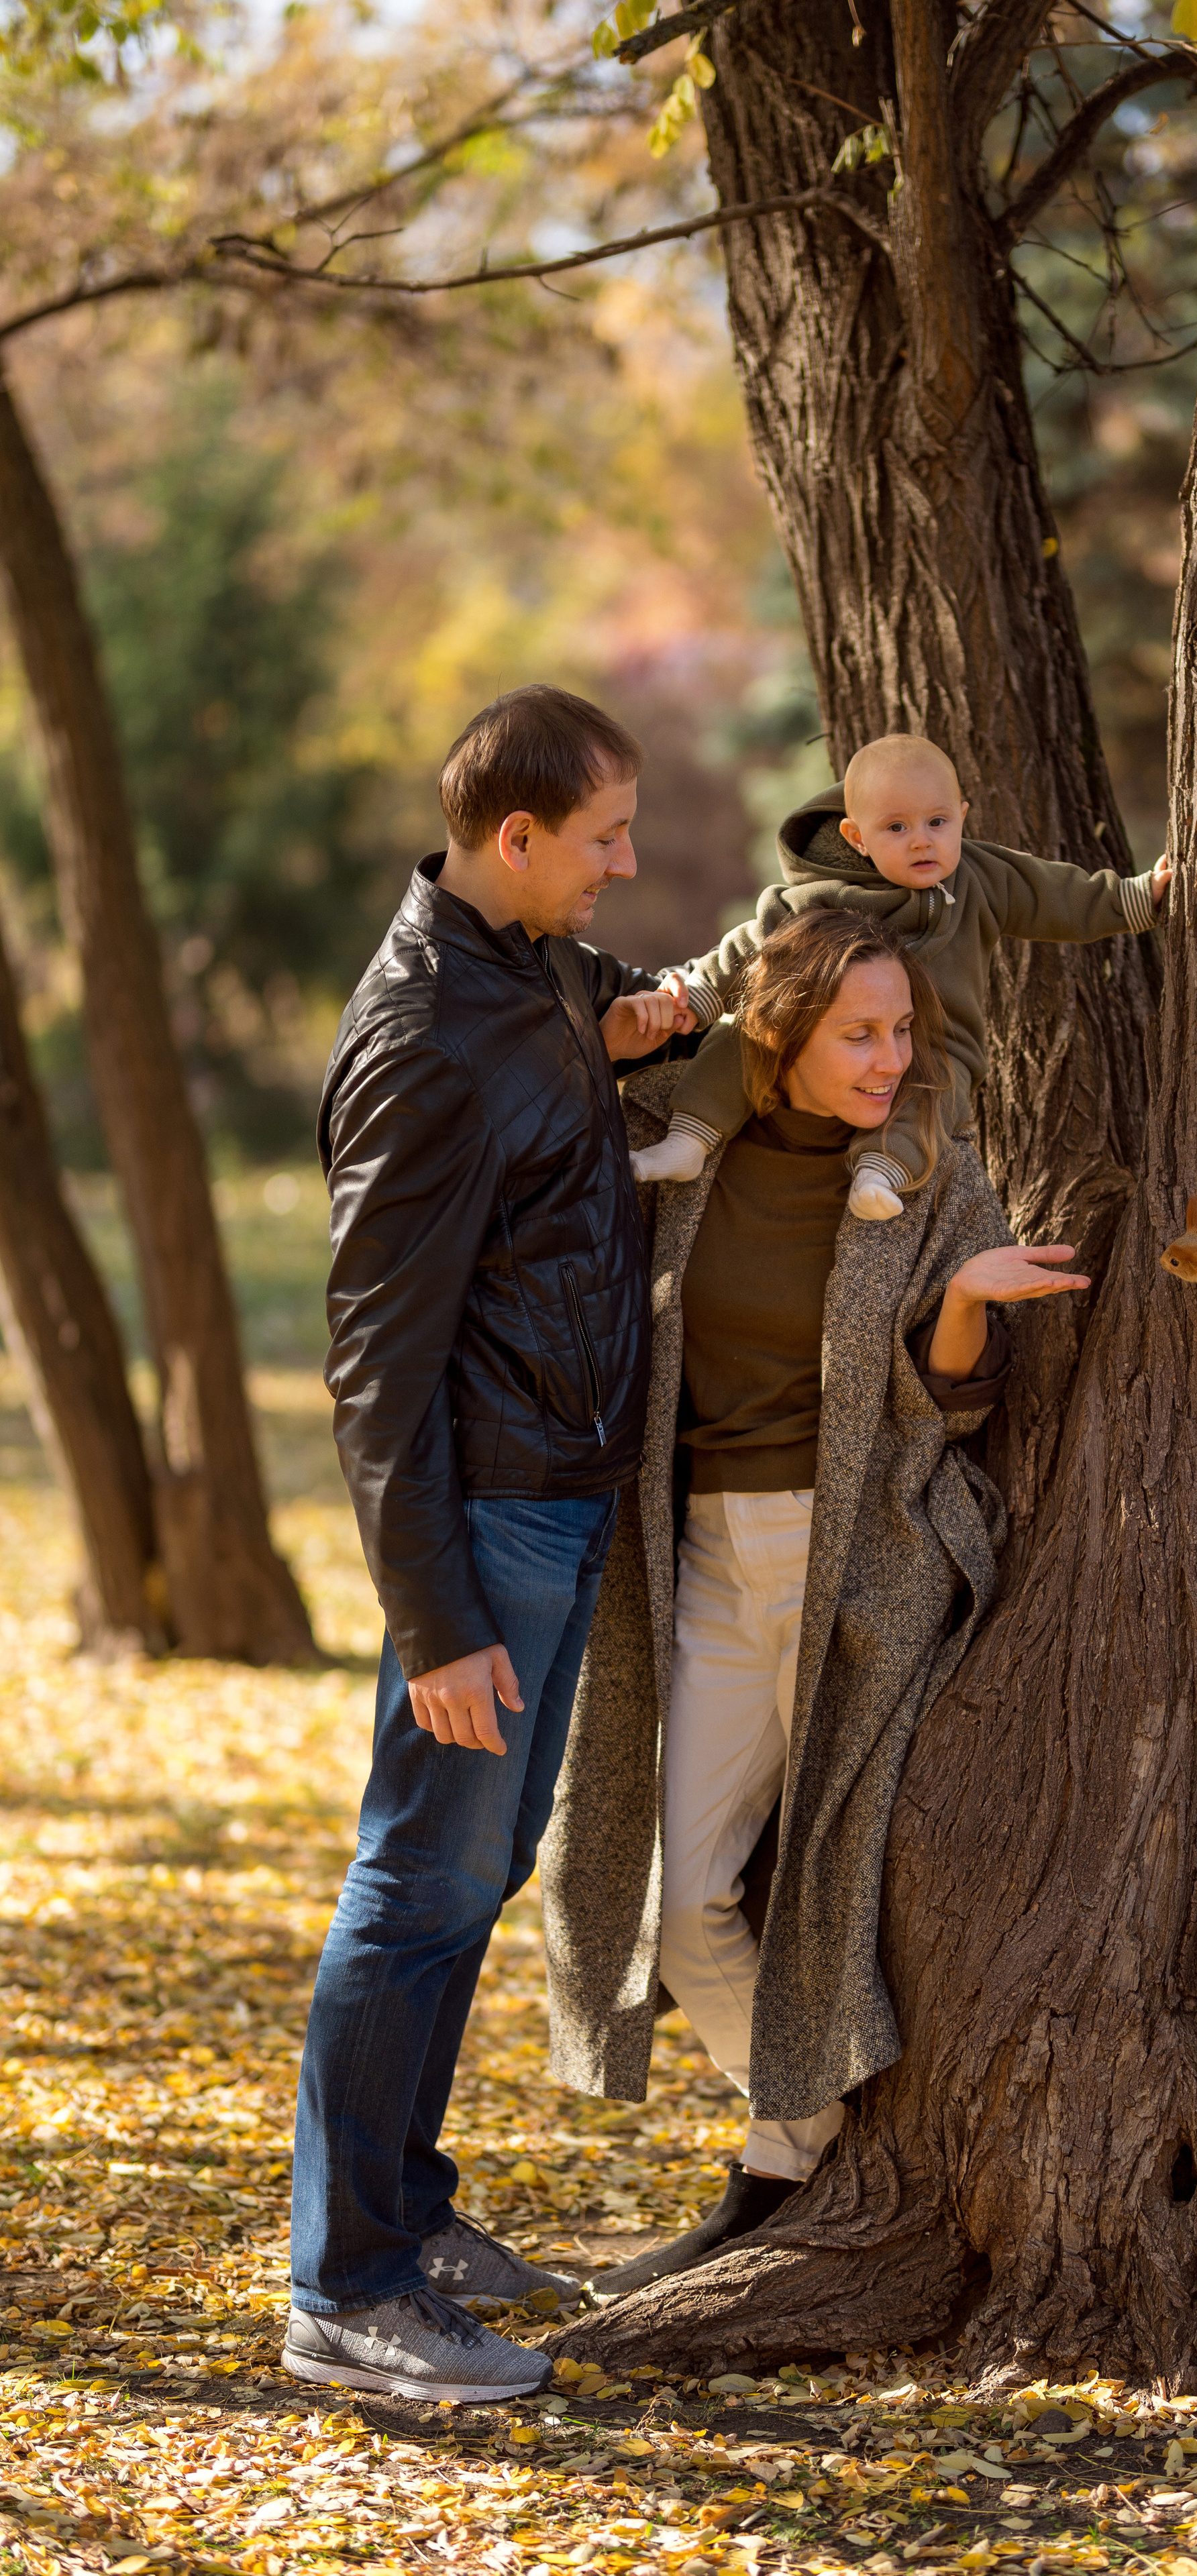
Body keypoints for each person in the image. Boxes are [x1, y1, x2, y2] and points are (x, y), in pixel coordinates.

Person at [536, 910, 1088, 2298]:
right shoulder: (681, 1152)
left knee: (823, 1889)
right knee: (677, 1899)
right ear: (774, 1042)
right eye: (858, 1033)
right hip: (701, 1565)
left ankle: (774, 2177)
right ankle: (826, 2138)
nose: (889, 1058)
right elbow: (550, 1135)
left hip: (861, 1570)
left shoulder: (926, 1172)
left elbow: (961, 1404)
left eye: (903, 1032)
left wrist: (962, 1297)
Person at [285, 684, 694, 2402]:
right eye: (599, 838)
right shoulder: (424, 1041)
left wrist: (649, 1014)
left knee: (474, 1876)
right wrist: (437, 1618)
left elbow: (599, 1021)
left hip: (566, 1499)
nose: (623, 863)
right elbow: (375, 1361)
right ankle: (349, 2287)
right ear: (511, 838)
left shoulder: (528, 973)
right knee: (417, 1883)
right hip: (488, 1528)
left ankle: (408, 2210)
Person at [629, 730, 1170, 1218]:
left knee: (937, 1096)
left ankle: (881, 1173)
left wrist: (1136, 897)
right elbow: (754, 940)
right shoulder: (831, 893)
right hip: (842, 1039)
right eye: (896, 827)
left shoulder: (981, 877)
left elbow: (1056, 896)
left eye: (938, 822)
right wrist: (697, 990)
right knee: (745, 1034)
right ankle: (690, 1138)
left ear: (961, 815)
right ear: (857, 837)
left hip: (944, 1041)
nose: (921, 841)